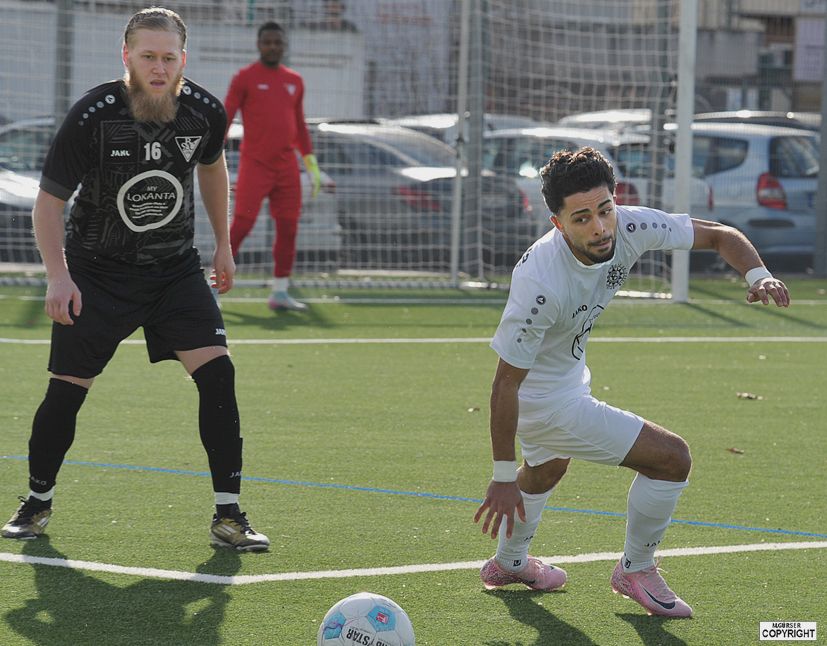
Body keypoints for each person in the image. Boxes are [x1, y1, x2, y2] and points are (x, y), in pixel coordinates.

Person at [473, 147, 790, 617]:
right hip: (540, 401)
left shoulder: (631, 226)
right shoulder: (540, 284)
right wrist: (501, 477)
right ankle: (636, 569)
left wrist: (758, 274)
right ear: (557, 223)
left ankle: (509, 562)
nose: (600, 227)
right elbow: (504, 385)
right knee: (671, 458)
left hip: (567, 380)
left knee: (546, 470)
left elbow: (720, 235)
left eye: (605, 210)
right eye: (582, 219)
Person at [1, 7, 269, 552]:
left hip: (174, 273)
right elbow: (48, 204)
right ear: (126, 56)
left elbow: (212, 167)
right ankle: (37, 501)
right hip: (96, 275)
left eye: (169, 57)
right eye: (148, 56)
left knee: (219, 376)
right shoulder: (92, 115)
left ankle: (228, 516)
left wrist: (222, 243)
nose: (159, 67)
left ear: (183, 60)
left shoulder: (204, 112)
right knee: (67, 390)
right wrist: (58, 278)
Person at [224, 21, 321, 312]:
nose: (272, 47)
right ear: (259, 44)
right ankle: (213, 285)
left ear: (284, 45)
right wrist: (213, 150)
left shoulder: (294, 80)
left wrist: (310, 162)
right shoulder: (244, 78)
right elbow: (226, 115)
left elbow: (299, 125)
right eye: (267, 42)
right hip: (255, 164)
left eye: (277, 42)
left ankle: (280, 292)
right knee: (242, 225)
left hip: (287, 167)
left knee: (289, 227)